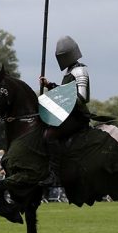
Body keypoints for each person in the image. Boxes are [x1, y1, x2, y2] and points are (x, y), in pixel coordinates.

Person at [39, 35, 91, 187]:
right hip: (68, 115)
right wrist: (49, 85)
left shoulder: (80, 71)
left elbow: (82, 97)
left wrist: (60, 101)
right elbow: (65, 92)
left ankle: (55, 175)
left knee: (50, 136)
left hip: (78, 116)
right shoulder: (69, 72)